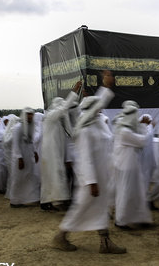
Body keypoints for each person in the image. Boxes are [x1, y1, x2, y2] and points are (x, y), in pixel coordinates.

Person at [53, 71, 126, 254]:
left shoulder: (99, 124)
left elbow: (100, 104)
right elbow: (85, 158)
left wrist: (107, 88)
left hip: (102, 177)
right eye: (97, 108)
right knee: (81, 208)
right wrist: (91, 182)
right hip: (90, 181)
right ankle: (60, 237)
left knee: (100, 209)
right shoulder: (85, 130)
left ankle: (105, 243)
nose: (100, 109)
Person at [40, 81, 81, 211]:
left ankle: (48, 202)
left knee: (53, 177)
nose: (64, 111)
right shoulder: (51, 116)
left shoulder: (58, 120)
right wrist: (74, 91)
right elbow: (64, 108)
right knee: (53, 176)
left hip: (55, 152)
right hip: (50, 153)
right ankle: (52, 202)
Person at [113, 100, 153, 228]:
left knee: (136, 193)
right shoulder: (125, 131)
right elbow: (142, 141)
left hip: (129, 165)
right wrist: (148, 126)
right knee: (126, 193)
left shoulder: (124, 127)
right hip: (126, 166)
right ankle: (121, 220)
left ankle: (138, 218)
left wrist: (142, 126)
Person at [8, 108, 41, 207]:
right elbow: (16, 145)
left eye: (31, 114)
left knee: (30, 177)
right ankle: (14, 201)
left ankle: (30, 199)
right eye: (28, 114)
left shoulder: (31, 126)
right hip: (20, 157)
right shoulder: (18, 127)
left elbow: (31, 142)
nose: (30, 116)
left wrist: (35, 152)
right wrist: (19, 158)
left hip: (28, 155)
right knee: (18, 179)